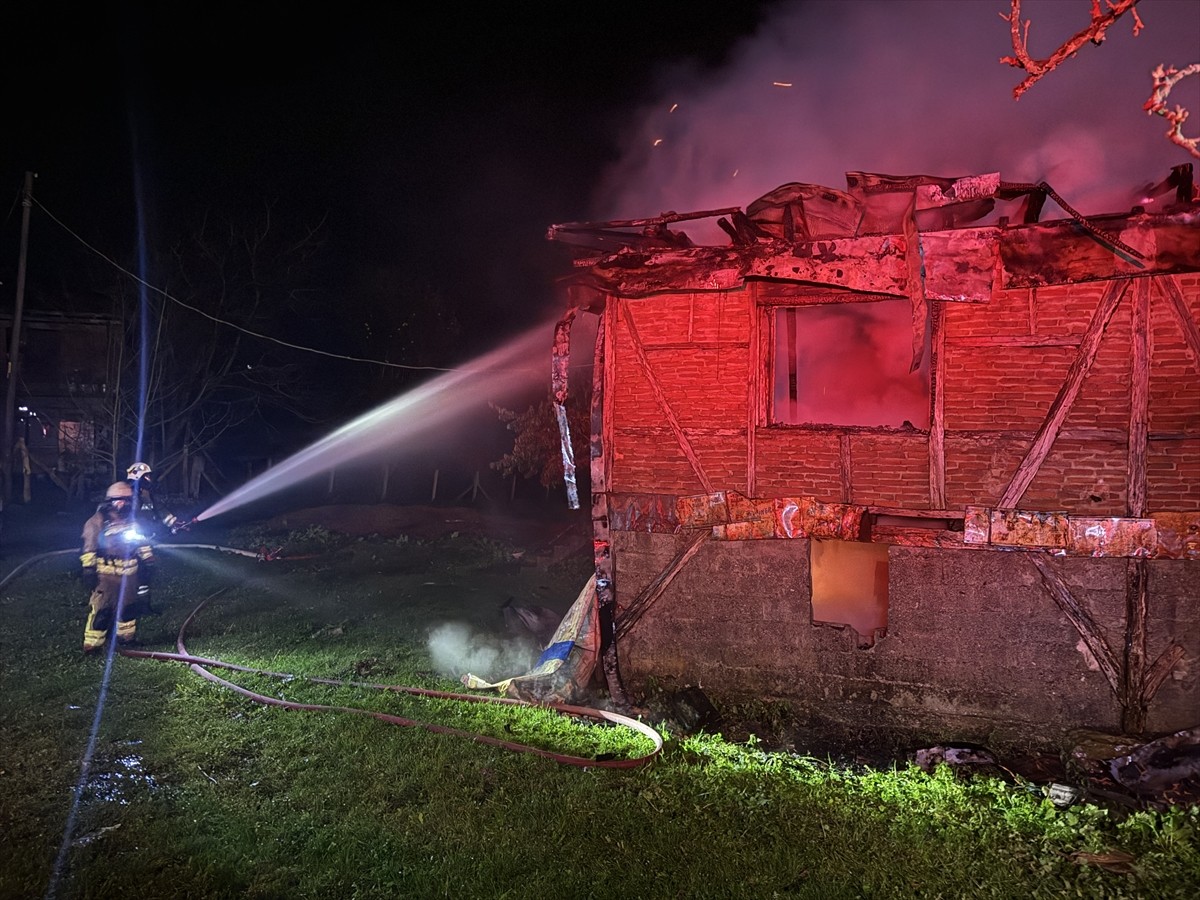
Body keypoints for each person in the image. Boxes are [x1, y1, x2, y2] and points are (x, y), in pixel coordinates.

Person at [80, 481, 156, 653]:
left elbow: (141, 541)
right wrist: (88, 569)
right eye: (121, 500)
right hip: (107, 578)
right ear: (110, 501)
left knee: (128, 610)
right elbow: (89, 547)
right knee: (102, 611)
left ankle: (126, 639)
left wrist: (148, 558)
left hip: (129, 576)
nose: (125, 503)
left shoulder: (132, 520)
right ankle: (92, 645)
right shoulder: (97, 521)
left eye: (128, 500)